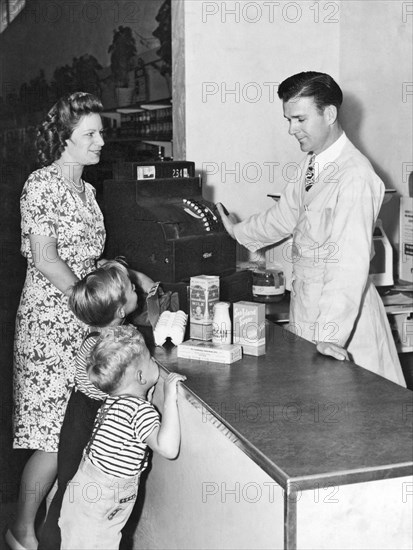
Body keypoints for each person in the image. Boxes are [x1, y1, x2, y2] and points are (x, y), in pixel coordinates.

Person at [217, 71, 406, 387]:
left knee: (347, 421)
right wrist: (238, 231)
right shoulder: (312, 164)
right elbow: (284, 215)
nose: (292, 129)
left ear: (329, 114)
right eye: (289, 120)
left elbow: (348, 266)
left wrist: (330, 335)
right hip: (308, 310)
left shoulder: (355, 176)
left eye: (300, 119)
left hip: (344, 325)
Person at [7, 92, 109, 550]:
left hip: (82, 326)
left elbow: (87, 254)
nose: (100, 141)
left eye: (100, 132)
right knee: (50, 438)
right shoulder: (41, 184)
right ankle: (19, 530)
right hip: (49, 325)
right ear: (64, 140)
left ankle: (49, 525)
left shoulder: (86, 191)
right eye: (90, 133)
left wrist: (118, 274)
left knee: (73, 434)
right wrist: (87, 300)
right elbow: (47, 259)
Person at [38, 260, 153, 550]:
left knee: (75, 493)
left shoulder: (103, 336)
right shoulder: (108, 345)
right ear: (119, 310)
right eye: (131, 288)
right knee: (71, 491)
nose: (136, 289)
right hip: (87, 421)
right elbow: (97, 386)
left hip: (82, 414)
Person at [58, 325, 186, 550]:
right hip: (102, 501)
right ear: (140, 376)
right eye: (150, 359)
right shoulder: (138, 410)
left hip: (83, 492)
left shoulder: (113, 399)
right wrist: (169, 398)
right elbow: (168, 448)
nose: (155, 361)